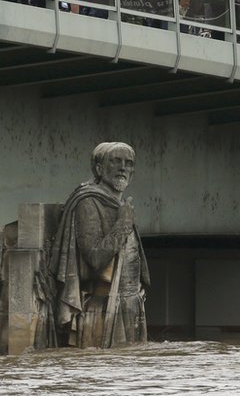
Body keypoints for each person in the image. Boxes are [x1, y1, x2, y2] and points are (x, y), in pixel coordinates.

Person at [47, 142, 149, 349]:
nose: (123, 168)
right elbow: (94, 259)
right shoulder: (88, 203)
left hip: (131, 305)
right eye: (116, 161)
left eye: (128, 163)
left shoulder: (121, 205)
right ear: (99, 168)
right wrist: (123, 224)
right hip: (104, 307)